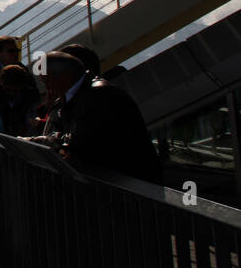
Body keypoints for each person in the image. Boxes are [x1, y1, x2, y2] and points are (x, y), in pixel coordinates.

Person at [32, 51, 162, 185]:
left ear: (65, 76)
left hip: (128, 181)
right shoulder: (76, 96)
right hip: (117, 180)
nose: (47, 88)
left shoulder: (99, 95)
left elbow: (81, 141)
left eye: (47, 81)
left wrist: (46, 141)